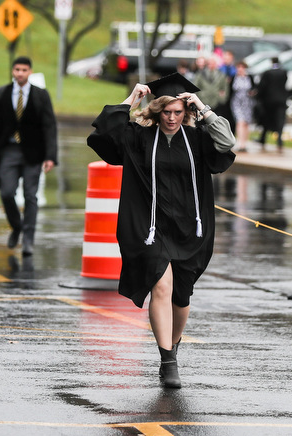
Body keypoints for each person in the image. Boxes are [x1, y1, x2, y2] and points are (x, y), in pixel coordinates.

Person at [86, 73, 236, 388]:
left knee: (182, 297)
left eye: (178, 112)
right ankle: (167, 361)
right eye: (166, 112)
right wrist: (131, 99)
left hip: (189, 228)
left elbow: (227, 143)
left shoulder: (197, 140)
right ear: (157, 111)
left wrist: (202, 107)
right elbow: (105, 133)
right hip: (150, 228)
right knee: (162, 288)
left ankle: (174, 346)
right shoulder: (140, 139)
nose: (171, 118)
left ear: (186, 112)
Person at [0, 56, 58, 256]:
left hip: (34, 152)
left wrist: (50, 156)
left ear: (30, 72)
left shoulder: (41, 95)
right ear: (12, 71)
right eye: (17, 70)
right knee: (6, 192)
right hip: (9, 151)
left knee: (31, 196)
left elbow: (49, 126)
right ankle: (17, 226)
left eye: (24, 70)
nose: (20, 73)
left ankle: (28, 239)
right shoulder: (2, 93)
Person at [256, 57, 288, 152]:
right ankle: (279, 139)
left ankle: (263, 138)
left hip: (268, 100)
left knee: (267, 120)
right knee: (280, 120)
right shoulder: (284, 72)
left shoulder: (267, 73)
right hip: (281, 100)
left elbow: (262, 86)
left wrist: (258, 96)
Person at [229, 61, 256, 152]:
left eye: (242, 67)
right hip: (236, 103)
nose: (240, 69)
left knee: (246, 123)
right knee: (240, 122)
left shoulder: (249, 78)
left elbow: (254, 88)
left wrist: (253, 93)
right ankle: (240, 143)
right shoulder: (234, 78)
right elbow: (230, 90)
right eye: (239, 67)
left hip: (247, 102)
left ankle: (245, 143)